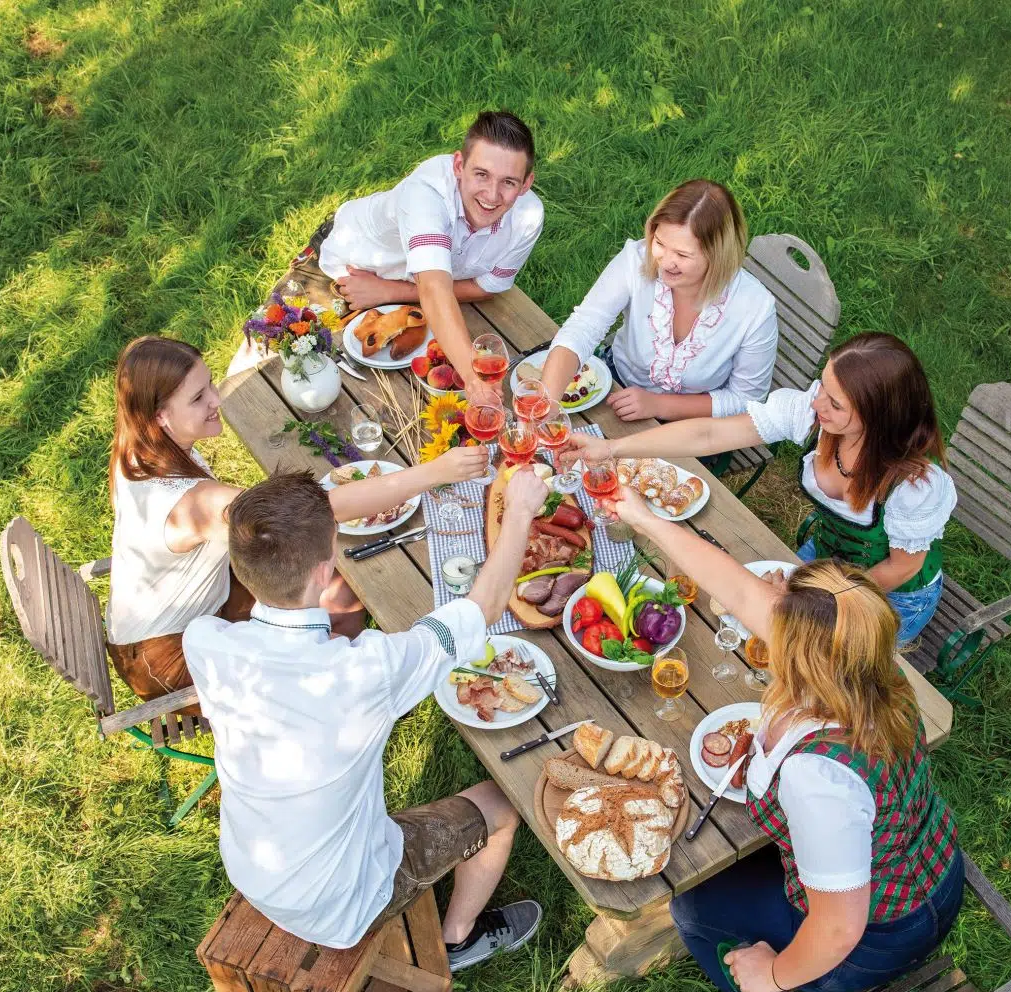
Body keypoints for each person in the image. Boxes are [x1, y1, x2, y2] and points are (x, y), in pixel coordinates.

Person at [604, 486, 963, 992]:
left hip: (880, 935)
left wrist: (771, 971)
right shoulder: (865, 666)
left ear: (797, 656)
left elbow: (839, 928)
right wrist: (642, 517)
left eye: (780, 596)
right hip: (929, 869)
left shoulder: (820, 780)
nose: (765, 594)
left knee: (693, 910)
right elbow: (737, 586)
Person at [182, 466, 553, 968]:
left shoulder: (204, 640)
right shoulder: (365, 672)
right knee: (504, 804)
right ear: (323, 569)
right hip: (342, 905)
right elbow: (482, 608)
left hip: (253, 867)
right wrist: (521, 514)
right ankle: (458, 940)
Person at [104, 335, 488, 702]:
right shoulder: (195, 505)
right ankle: (343, 695)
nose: (216, 399)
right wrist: (433, 472)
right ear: (160, 417)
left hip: (200, 608)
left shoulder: (140, 451)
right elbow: (319, 510)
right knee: (335, 586)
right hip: (168, 660)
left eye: (210, 385)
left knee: (328, 571)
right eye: (199, 397)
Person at [565, 332, 955, 644]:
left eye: (834, 404)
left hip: (888, 594)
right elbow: (707, 434)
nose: (817, 404)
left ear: (878, 418)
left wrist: (818, 600)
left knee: (815, 668)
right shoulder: (812, 415)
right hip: (822, 561)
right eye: (821, 386)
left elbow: (904, 566)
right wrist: (611, 447)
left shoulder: (915, 486)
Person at [319, 110, 544, 413]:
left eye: (508, 182)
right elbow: (436, 292)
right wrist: (475, 380)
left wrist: (389, 292)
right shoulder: (425, 194)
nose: (492, 195)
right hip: (354, 270)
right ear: (458, 165)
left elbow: (489, 286)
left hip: (395, 289)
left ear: (527, 183)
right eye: (481, 174)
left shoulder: (529, 216)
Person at [539, 179, 776, 425]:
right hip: (616, 388)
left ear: (718, 256)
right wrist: (547, 402)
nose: (665, 261)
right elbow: (585, 325)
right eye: (660, 243)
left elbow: (747, 399)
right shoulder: (636, 259)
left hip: (695, 424)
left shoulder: (755, 309)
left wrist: (657, 404)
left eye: (683, 255)